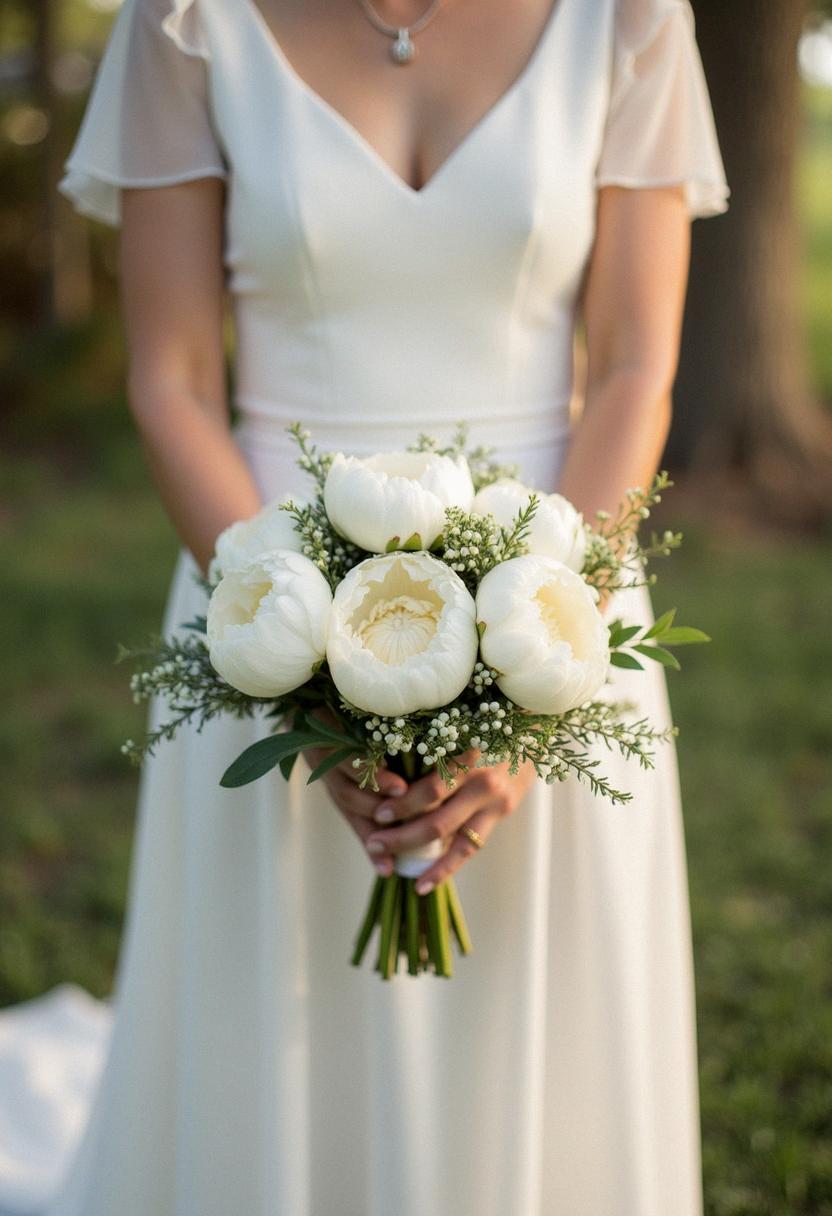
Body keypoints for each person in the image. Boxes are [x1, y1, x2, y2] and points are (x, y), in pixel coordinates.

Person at [1, 0, 730, 1212]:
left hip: (554, 583)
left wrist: (535, 678)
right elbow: (172, 376)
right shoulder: (187, 22)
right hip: (261, 580)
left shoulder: (628, 18)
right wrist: (292, 665)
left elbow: (635, 365)